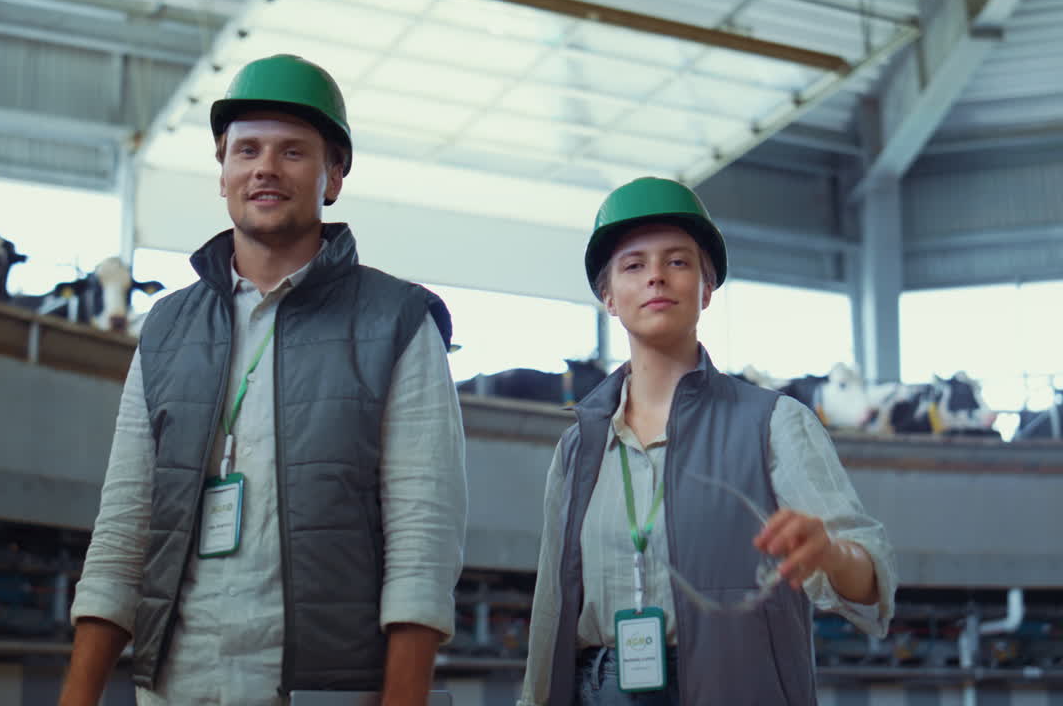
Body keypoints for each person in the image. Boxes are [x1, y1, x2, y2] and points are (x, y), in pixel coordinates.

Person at [59, 54, 468, 706]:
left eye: (293, 152)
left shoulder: (399, 322)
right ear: (222, 172)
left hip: (327, 693)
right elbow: (124, 524)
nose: (265, 169)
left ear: (335, 175)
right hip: (174, 687)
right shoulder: (166, 328)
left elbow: (423, 540)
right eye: (246, 150)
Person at [518, 177, 897, 705]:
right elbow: (552, 605)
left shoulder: (776, 424)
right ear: (608, 297)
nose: (656, 276)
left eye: (677, 262)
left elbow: (873, 582)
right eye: (633, 266)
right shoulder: (578, 447)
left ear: (706, 289)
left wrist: (830, 554)